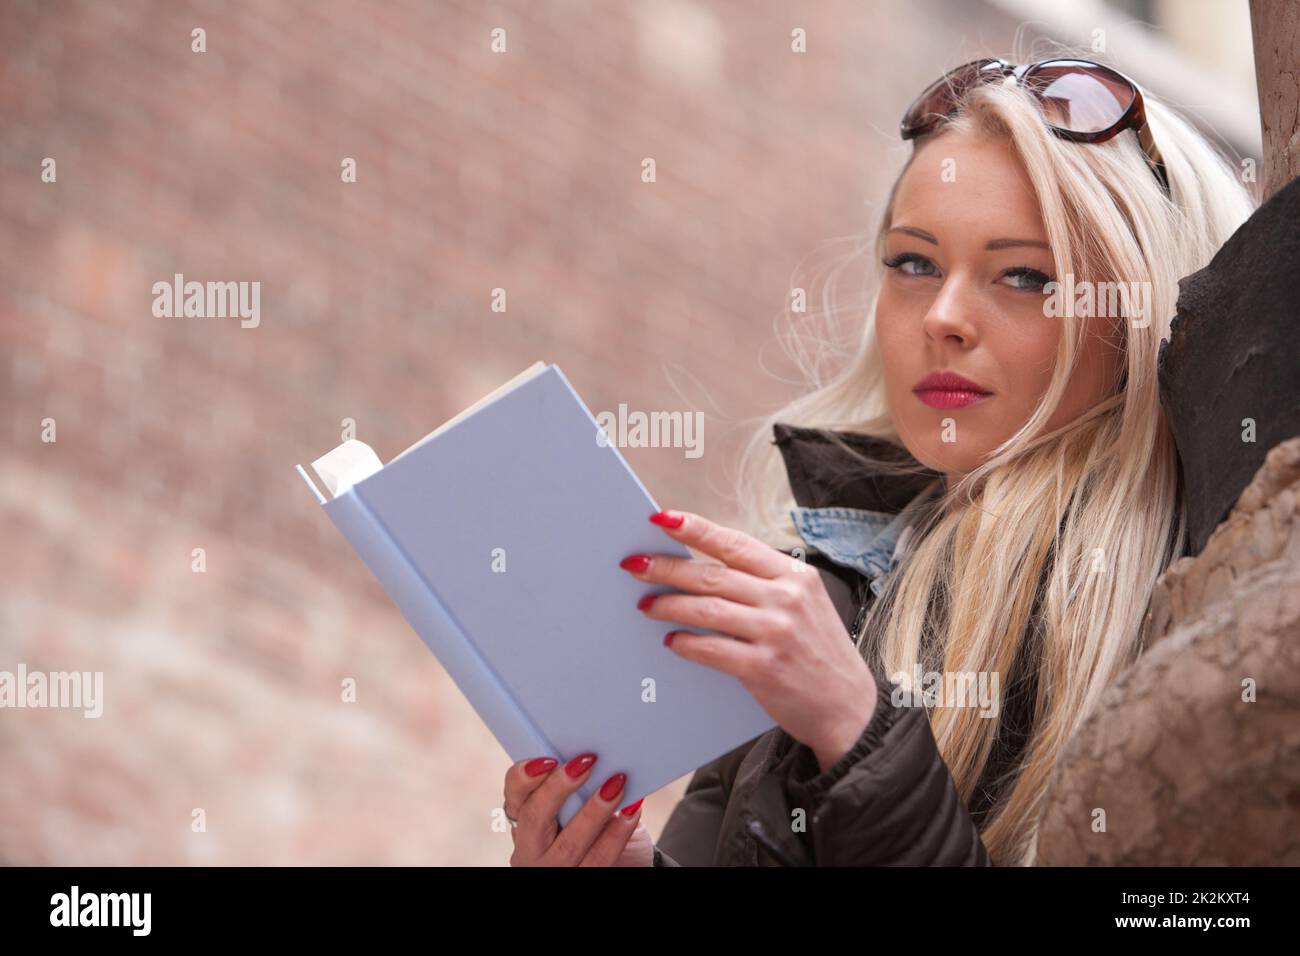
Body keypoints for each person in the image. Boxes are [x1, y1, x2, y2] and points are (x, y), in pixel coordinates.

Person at [502, 50, 1256, 866]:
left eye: (1024, 275)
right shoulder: (816, 598)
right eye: (914, 263)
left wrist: (855, 730)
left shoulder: (1211, 616)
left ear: (1138, 317)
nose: (944, 317)